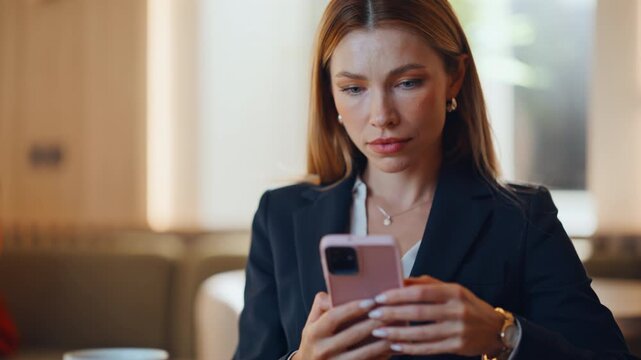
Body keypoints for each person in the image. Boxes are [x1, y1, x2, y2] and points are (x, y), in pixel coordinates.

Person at [234, 0, 635, 359]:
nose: (381, 116)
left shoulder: (521, 218)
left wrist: (502, 336)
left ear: (454, 78)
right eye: (353, 88)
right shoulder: (281, 216)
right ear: (331, 94)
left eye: (407, 83)